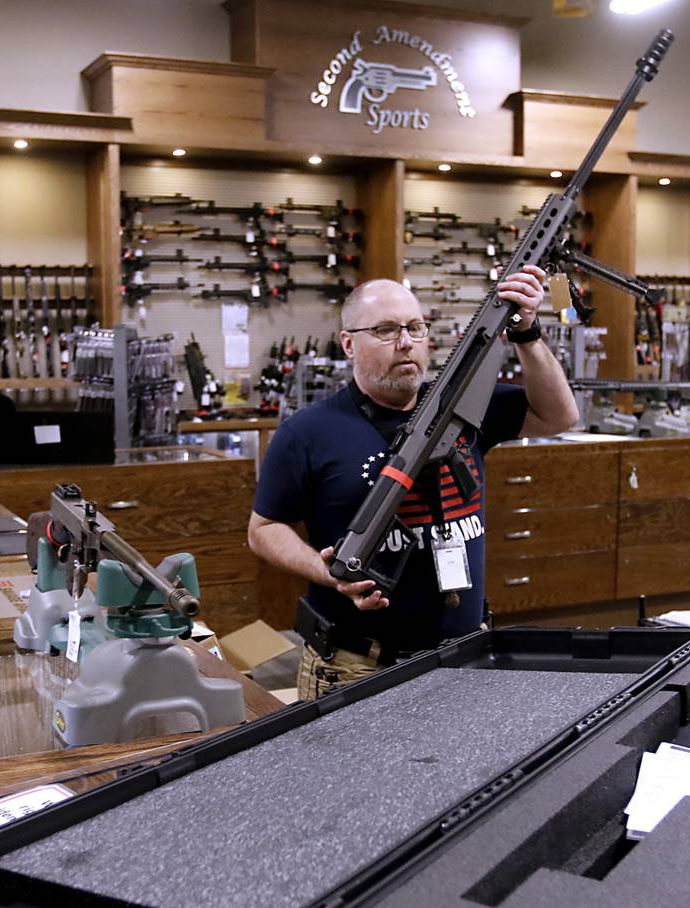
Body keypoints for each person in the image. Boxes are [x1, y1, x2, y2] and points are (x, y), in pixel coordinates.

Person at [248, 266, 579, 700]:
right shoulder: (307, 432)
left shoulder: (464, 408)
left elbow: (560, 416)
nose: (405, 342)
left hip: (466, 658)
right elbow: (264, 529)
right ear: (349, 343)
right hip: (356, 669)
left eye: (415, 327)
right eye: (385, 330)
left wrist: (528, 336)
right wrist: (327, 573)